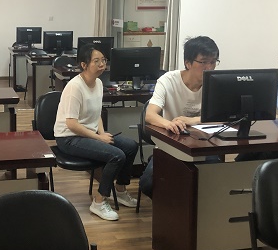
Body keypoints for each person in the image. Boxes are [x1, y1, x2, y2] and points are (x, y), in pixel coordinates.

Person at [54, 44, 138, 221]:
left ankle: (120, 190)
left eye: (104, 60)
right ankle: (99, 202)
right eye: (97, 61)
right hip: (69, 138)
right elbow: (71, 124)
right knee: (117, 156)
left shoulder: (98, 83)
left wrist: (102, 133)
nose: (102, 65)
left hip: (90, 133)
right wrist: (99, 138)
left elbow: (96, 113)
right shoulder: (75, 87)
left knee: (131, 146)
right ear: (84, 65)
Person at [138, 36, 220, 199]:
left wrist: (191, 120)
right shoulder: (168, 80)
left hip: (204, 145)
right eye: (203, 62)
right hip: (172, 144)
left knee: (215, 182)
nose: (209, 67)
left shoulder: (216, 82)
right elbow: (150, 114)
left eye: (213, 62)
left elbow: (222, 117)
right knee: (148, 183)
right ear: (188, 63)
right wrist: (168, 124)